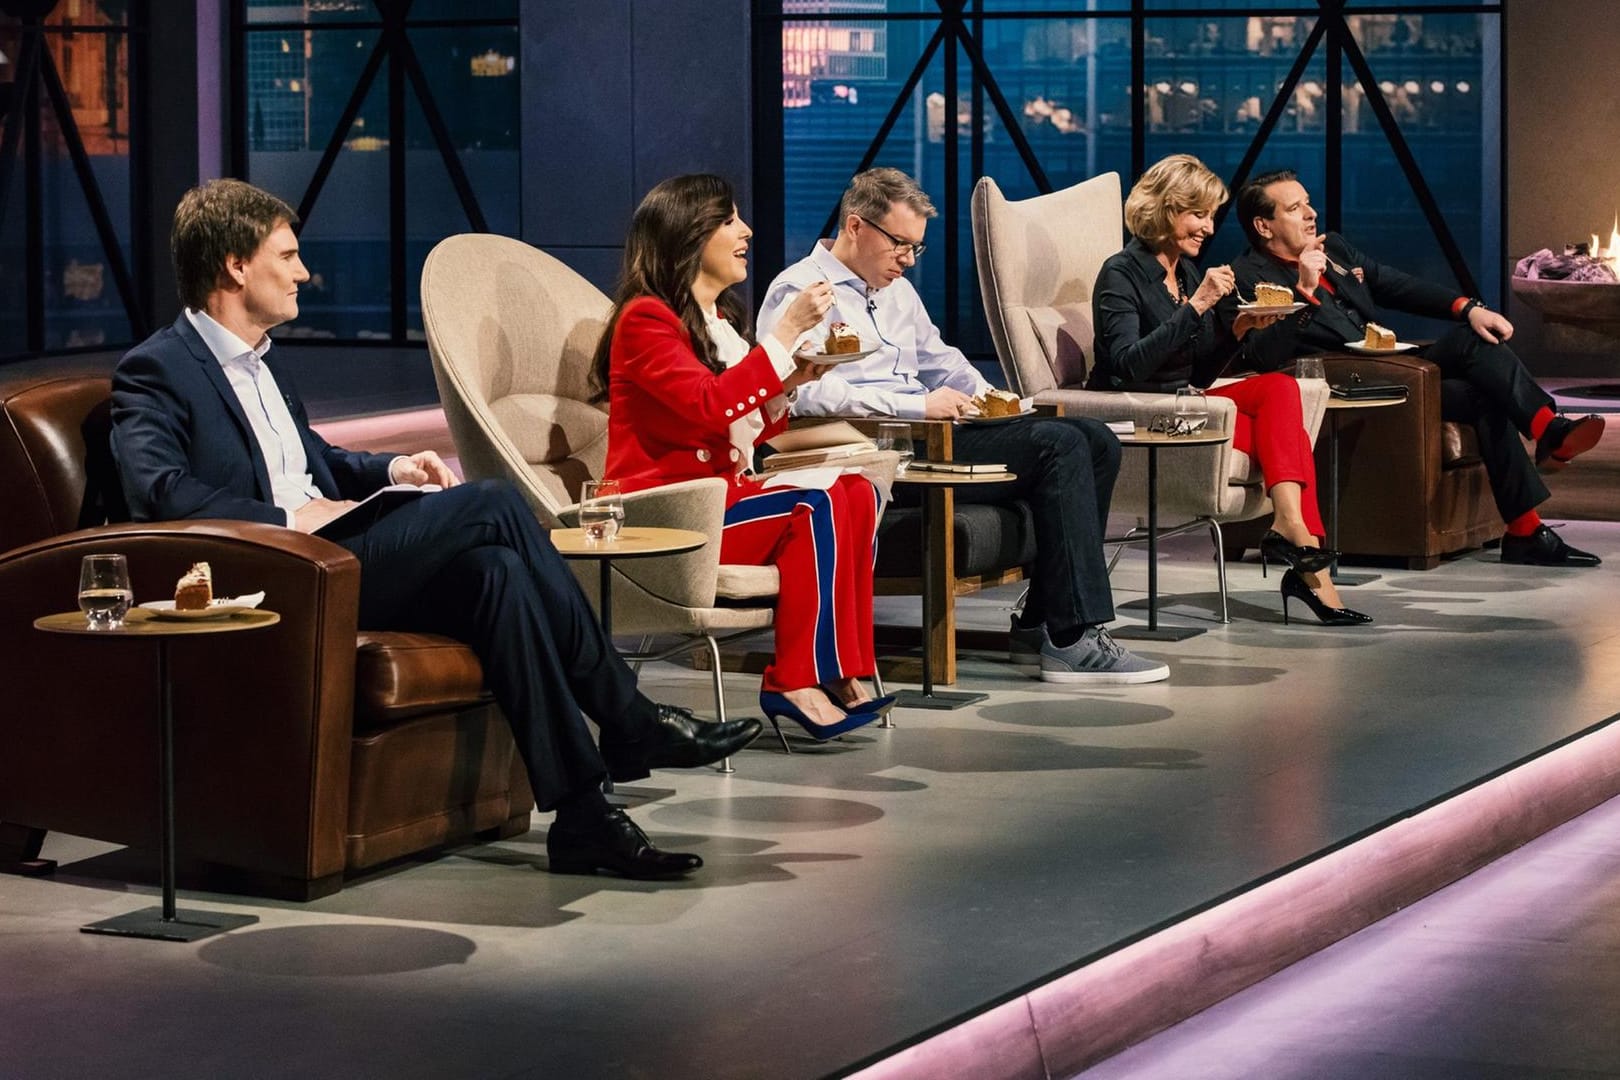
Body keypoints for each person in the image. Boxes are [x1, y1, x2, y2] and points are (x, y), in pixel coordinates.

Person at [110, 178, 763, 882]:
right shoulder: (157, 369)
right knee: (496, 505)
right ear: (236, 266)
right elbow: (160, 494)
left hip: (337, 551)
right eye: (289, 256)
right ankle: (628, 718)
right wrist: (289, 518)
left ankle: (584, 817)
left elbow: (315, 462)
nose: (304, 272)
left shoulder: (266, 361)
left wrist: (393, 467)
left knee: (500, 575)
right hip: (278, 569)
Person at [759, 167, 1169, 684]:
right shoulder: (799, 290)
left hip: (930, 435)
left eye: (916, 248)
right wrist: (917, 407)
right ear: (856, 226)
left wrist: (994, 398)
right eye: (899, 245)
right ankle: (1074, 638)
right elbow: (802, 392)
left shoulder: (896, 291)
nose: (908, 260)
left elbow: (942, 360)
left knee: (1097, 440)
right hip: (879, 449)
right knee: (1060, 444)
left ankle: (1041, 620)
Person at [594, 174, 891, 743]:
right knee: (817, 504)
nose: (745, 231)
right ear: (689, 234)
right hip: (671, 512)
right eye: (729, 220)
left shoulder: (716, 324)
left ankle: (843, 666)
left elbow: (745, 425)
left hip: (722, 497)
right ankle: (796, 679)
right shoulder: (644, 320)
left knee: (855, 491)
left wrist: (795, 378)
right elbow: (710, 407)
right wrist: (782, 339)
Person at [1231, 168, 1603, 568]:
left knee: (1475, 342)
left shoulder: (1333, 248)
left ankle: (1543, 451)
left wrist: (1468, 308)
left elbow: (1394, 284)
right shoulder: (1249, 276)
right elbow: (1264, 356)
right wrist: (1304, 290)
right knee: (1483, 396)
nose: (1310, 213)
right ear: (1263, 226)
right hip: (1349, 383)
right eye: (1294, 207)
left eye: (1308, 202)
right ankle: (1534, 499)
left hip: (1396, 366)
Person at [1089, 154, 1370, 627]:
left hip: (1189, 402)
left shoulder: (1189, 272)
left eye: (1212, 216)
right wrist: (1197, 307)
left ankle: (1290, 530)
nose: (1208, 227)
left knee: (1279, 389)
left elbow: (1199, 372)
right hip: (1144, 415)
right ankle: (1311, 568)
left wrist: (1237, 330)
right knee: (1289, 437)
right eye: (1198, 214)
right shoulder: (1121, 273)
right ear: (1165, 209)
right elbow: (1127, 365)